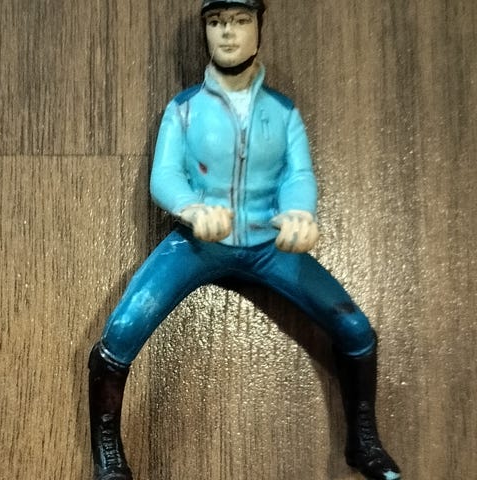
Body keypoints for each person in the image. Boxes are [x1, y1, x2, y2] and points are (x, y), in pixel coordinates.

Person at [88, 1, 401, 479]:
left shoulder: (283, 112)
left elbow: (298, 174)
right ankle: (107, 453)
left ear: (258, 28)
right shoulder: (184, 109)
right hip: (197, 244)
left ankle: (364, 439)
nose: (227, 34)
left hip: (268, 245)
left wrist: (299, 212)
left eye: (239, 21)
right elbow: (165, 176)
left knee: (356, 330)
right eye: (216, 23)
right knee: (121, 332)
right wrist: (191, 208)